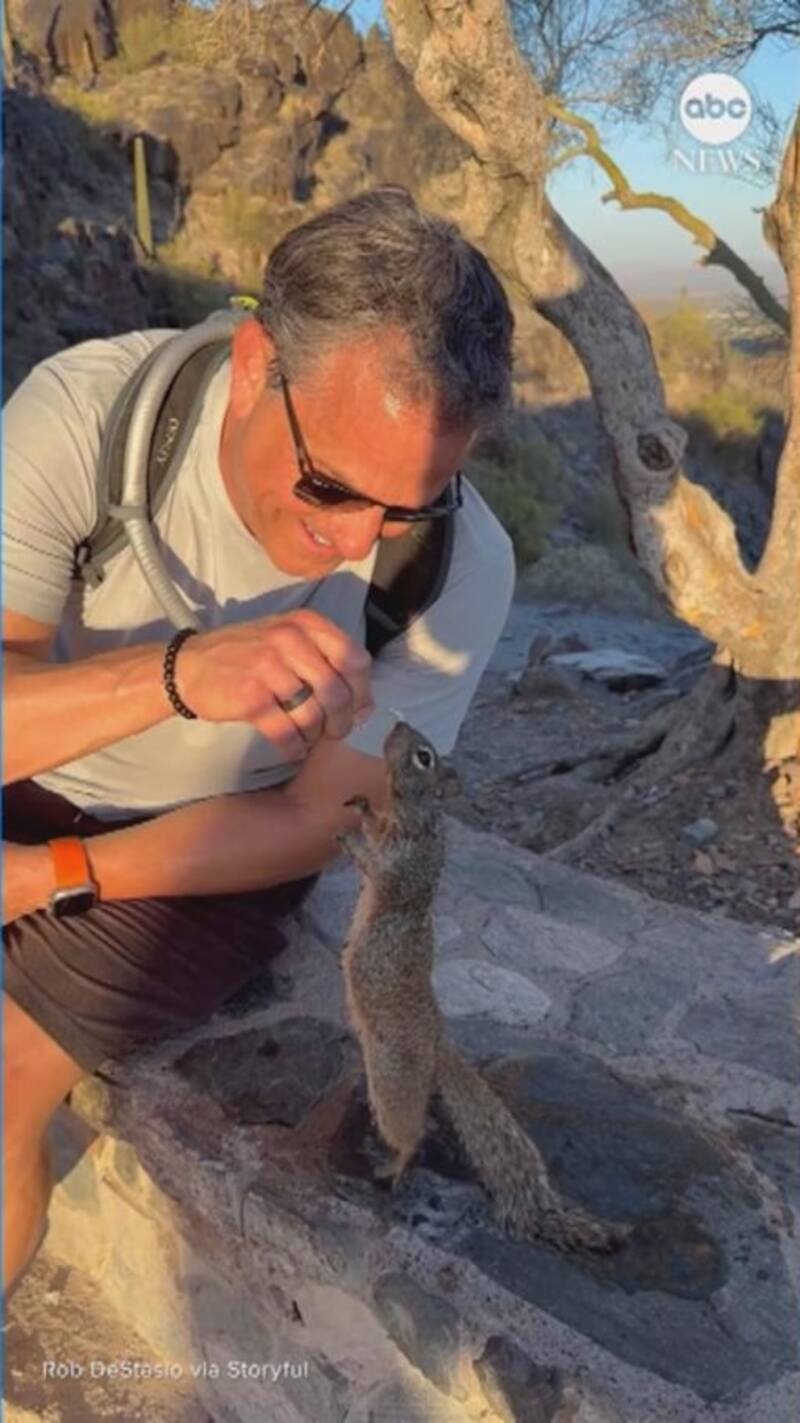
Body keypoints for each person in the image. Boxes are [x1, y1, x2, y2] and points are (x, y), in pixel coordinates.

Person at [2, 185, 515, 1292]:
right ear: (252, 364)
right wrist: (180, 674)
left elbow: (305, 820)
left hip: (201, 858)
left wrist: (46, 876)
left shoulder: (458, 566)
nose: (349, 542)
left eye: (404, 508)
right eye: (328, 484)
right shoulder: (87, 419)